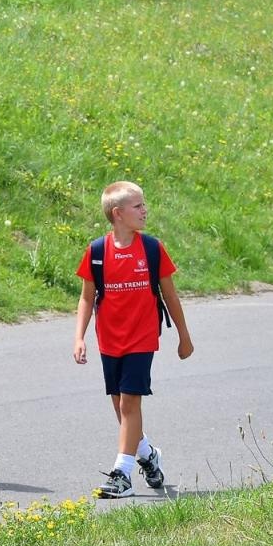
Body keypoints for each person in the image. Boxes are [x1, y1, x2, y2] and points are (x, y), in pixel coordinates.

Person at [73, 181, 193, 499]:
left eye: (143, 204)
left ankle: (121, 474)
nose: (145, 210)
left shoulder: (152, 249)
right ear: (118, 214)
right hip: (109, 339)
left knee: (129, 403)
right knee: (120, 406)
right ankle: (147, 454)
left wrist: (184, 336)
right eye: (138, 206)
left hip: (142, 338)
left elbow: (170, 295)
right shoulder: (97, 252)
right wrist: (79, 338)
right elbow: (87, 298)